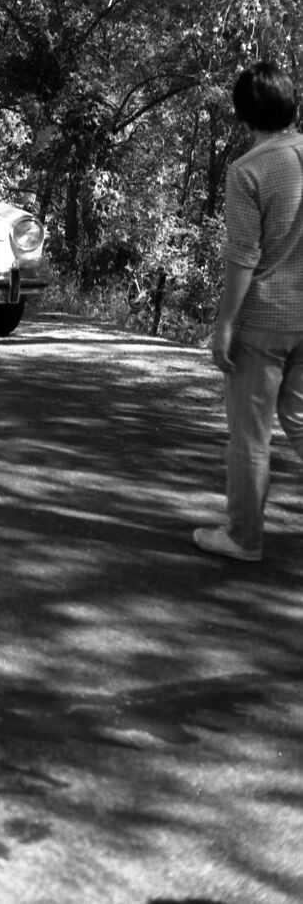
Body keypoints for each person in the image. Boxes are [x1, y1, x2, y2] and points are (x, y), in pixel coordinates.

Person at [199, 60, 303, 562]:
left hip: (267, 318)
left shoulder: (250, 170)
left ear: (244, 116)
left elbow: (243, 256)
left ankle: (243, 537)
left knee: (250, 435)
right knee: (301, 419)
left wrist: (224, 325)